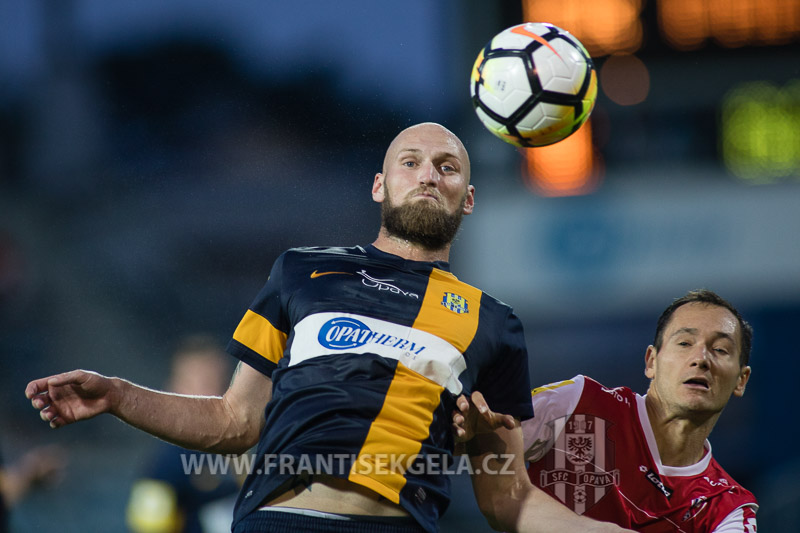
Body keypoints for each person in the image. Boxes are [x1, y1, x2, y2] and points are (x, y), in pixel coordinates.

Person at [26, 123, 630, 533]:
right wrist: (118, 395)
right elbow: (235, 421)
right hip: (280, 521)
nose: (428, 174)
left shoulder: (494, 321)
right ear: (380, 185)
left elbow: (508, 498)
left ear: (467, 198)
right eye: (410, 162)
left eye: (446, 167)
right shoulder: (300, 271)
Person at [519, 290, 758, 531]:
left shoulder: (729, 510)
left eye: (720, 349)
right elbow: (496, 465)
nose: (701, 359)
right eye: (685, 343)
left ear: (741, 380)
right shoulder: (577, 403)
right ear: (651, 361)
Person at [126, 334, 240, 533]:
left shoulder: (254, 445)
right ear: (172, 391)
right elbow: (149, 526)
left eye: (221, 382)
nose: (212, 393)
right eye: (202, 383)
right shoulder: (165, 464)